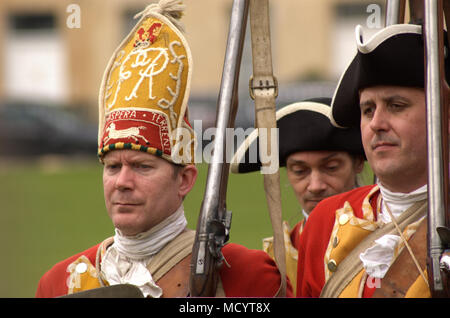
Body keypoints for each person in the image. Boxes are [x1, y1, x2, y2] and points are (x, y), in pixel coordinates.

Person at [35, 0, 291, 298]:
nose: (122, 183)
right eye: (113, 167)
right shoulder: (57, 285)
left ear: (184, 179)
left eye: (142, 166)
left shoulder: (248, 275)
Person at [296, 23, 450, 298]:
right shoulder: (325, 220)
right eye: (368, 110)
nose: (376, 123)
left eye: (396, 106)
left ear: (444, 116)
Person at [230, 98, 366, 294]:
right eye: (300, 171)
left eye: (331, 167)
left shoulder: (389, 234)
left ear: (358, 163)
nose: (315, 186)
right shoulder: (279, 258)